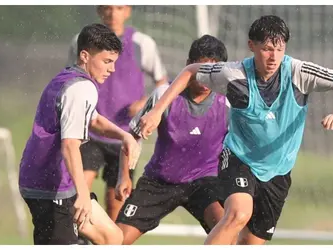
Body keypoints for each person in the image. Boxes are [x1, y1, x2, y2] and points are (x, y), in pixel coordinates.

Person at [138, 15, 333, 245]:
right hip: (239, 158)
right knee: (238, 215)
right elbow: (191, 71)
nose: (273, 57)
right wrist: (156, 112)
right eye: (266, 49)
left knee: (251, 243)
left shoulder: (299, 73)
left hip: (278, 170)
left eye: (279, 49)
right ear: (251, 46)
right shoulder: (234, 75)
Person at [18, 23, 140, 245]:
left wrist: (125, 136)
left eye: (114, 62)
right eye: (106, 61)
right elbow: (69, 145)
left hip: (53, 182)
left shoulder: (69, 78)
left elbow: (92, 119)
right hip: (49, 188)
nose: (112, 69)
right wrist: (83, 194)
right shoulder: (81, 88)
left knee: (111, 237)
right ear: (85, 55)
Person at [114, 35, 229, 245]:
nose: (205, 79)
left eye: (213, 71)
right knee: (115, 240)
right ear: (188, 66)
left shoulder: (229, 103)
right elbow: (132, 136)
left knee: (228, 234)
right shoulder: (164, 95)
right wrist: (124, 176)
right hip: (159, 181)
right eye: (201, 70)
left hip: (204, 183)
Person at [67, 5, 167, 221]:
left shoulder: (143, 43)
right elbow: (70, 78)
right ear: (99, 10)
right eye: (108, 8)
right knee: (79, 191)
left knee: (115, 205)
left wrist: (144, 102)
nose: (113, 14)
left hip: (126, 136)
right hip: (90, 131)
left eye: (119, 8)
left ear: (128, 11)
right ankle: (79, 238)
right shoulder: (80, 41)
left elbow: (162, 84)